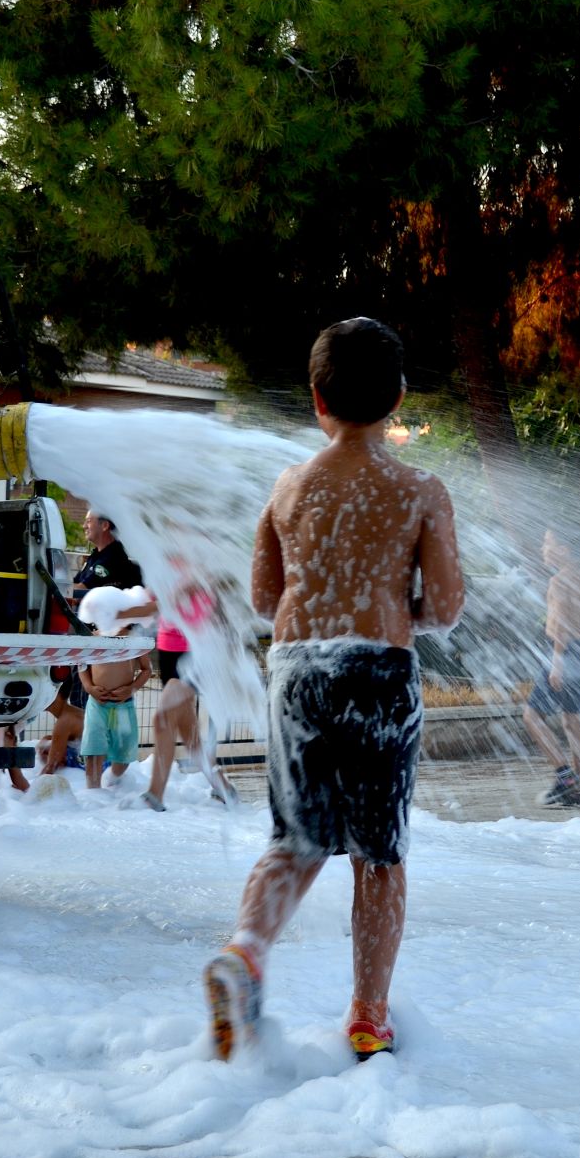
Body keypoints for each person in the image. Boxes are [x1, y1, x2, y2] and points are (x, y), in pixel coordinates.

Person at [203, 317, 463, 1062]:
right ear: (399, 399)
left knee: (294, 840)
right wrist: (390, 607)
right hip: (377, 671)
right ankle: (367, 1015)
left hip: (296, 671)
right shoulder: (418, 488)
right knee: (377, 854)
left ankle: (247, 954)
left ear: (317, 399)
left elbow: (262, 596)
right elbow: (445, 608)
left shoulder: (290, 486)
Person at [39, 511, 146, 786]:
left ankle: (89, 771)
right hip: (88, 647)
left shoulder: (111, 560)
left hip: (103, 651)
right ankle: (80, 767)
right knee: (71, 701)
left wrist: (50, 586)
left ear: (105, 525)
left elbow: (79, 592)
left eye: (89, 520)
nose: (85, 524)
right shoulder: (96, 558)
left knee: (88, 714)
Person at [141, 572, 241, 811]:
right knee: (189, 732)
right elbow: (152, 602)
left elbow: (226, 591)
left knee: (163, 715)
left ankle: (155, 796)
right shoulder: (160, 558)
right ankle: (224, 788)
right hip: (168, 648)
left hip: (198, 653)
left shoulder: (200, 555)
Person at [525, 526, 580, 808]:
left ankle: (565, 777)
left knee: (531, 717)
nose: (544, 549)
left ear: (564, 550)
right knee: (572, 718)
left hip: (562, 652)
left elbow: (559, 625)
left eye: (548, 543)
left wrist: (556, 663)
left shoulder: (558, 581)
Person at [76, 587, 156, 799]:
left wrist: (131, 688)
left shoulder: (133, 640)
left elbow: (147, 669)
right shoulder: (93, 639)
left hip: (123, 703)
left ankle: (112, 779)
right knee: (94, 746)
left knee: (124, 752)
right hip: (98, 701)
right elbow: (81, 666)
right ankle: (92, 791)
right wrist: (89, 687)